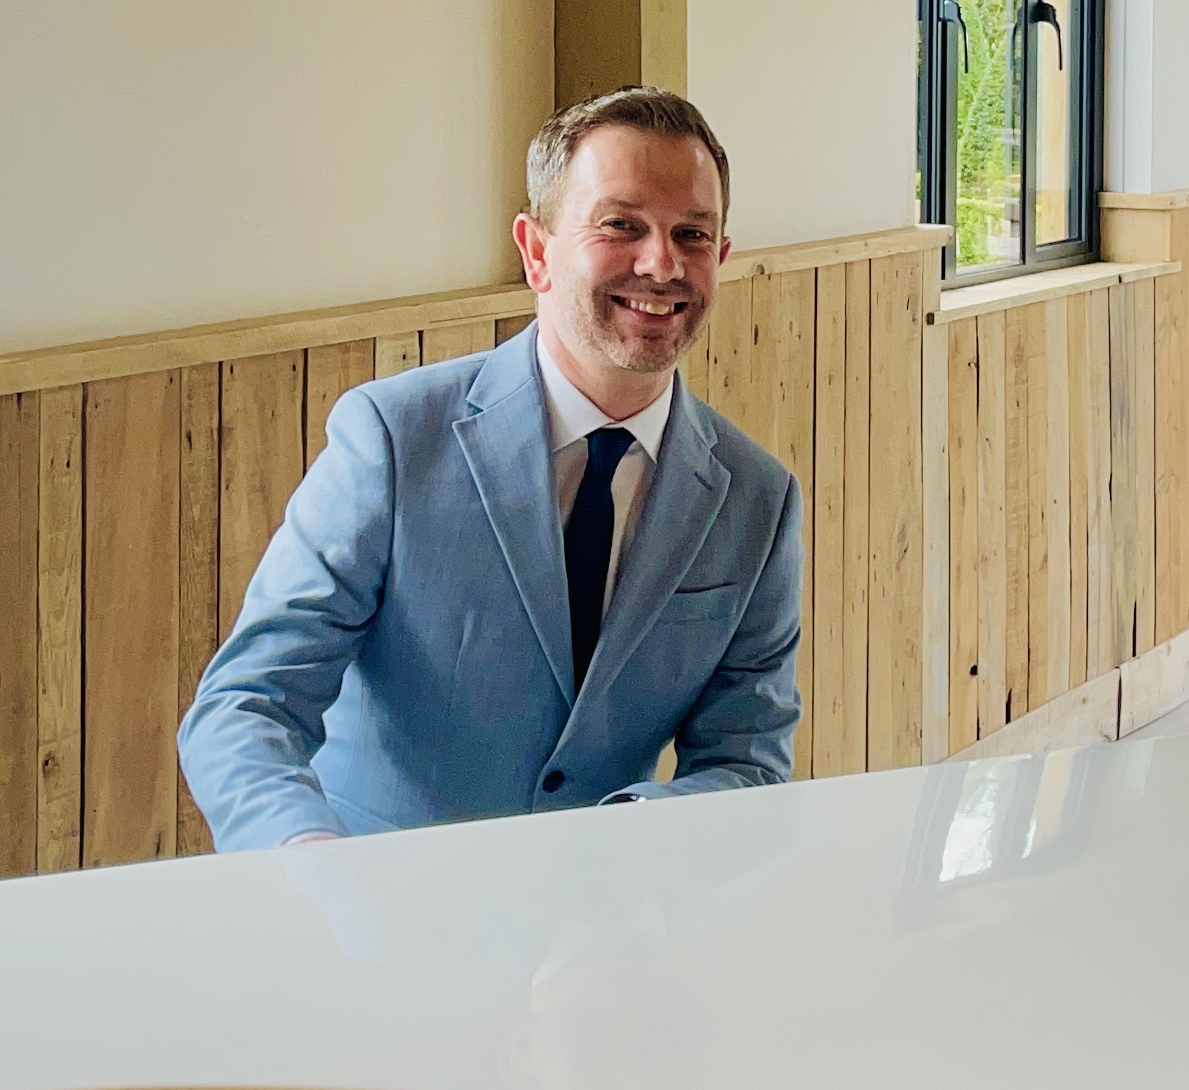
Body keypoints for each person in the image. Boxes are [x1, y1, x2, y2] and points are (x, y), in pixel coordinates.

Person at [179, 88, 801, 851]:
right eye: (621, 225)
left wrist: (624, 850)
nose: (661, 262)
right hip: (373, 931)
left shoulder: (757, 500)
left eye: (692, 234)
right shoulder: (393, 441)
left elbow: (749, 762)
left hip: (603, 944)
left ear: (721, 258)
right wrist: (312, 863)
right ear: (536, 252)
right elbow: (246, 705)